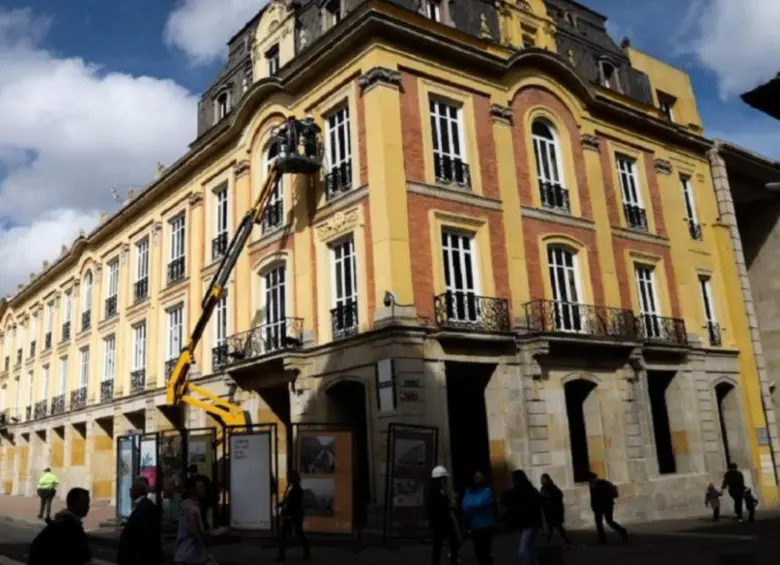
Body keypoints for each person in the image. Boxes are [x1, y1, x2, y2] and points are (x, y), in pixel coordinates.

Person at [28, 487, 92, 565]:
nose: (88, 507)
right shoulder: (68, 528)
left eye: (88, 503)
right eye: (85, 503)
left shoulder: (68, 525)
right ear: (74, 503)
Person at [118, 476, 163, 565]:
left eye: (133, 488)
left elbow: (144, 536)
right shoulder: (143, 506)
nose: (130, 490)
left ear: (139, 490)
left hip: (140, 557)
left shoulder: (145, 508)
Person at [502, 469, 543, 565]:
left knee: (523, 550)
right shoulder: (513, 491)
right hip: (521, 525)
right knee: (528, 549)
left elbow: (538, 506)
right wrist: (507, 490)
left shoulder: (528, 490)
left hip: (530, 524)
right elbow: (504, 502)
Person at [174, 477, 213, 565]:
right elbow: (194, 531)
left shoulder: (194, 506)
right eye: (199, 487)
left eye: (203, 487)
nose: (202, 490)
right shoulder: (190, 508)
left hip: (190, 554)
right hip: (189, 553)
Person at [461, 470, 495, 565]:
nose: (478, 479)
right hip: (475, 526)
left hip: (486, 526)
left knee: (486, 552)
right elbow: (465, 505)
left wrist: (473, 506)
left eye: (480, 477)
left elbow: (481, 503)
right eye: (476, 477)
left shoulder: (487, 490)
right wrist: (474, 506)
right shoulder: (469, 491)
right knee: (478, 552)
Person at [427, 465, 460, 565]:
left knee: (449, 543)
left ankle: (452, 560)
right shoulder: (435, 493)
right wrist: (450, 505)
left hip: (443, 523)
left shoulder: (441, 490)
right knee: (439, 546)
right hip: (441, 523)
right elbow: (438, 508)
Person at [276, 470, 311, 562]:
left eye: (288, 477)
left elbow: (292, 503)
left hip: (293, 514)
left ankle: (282, 555)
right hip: (293, 514)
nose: (287, 478)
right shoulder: (292, 488)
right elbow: (288, 501)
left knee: (291, 534)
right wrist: (281, 504)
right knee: (296, 533)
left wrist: (285, 510)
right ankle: (306, 552)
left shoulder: (295, 489)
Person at [586, 471, 627, 545]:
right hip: (599, 506)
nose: (589, 480)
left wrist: (601, 503)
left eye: (589, 479)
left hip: (606, 505)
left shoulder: (602, 483)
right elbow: (593, 497)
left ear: (592, 478)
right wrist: (593, 506)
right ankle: (602, 539)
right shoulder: (592, 485)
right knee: (599, 522)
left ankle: (622, 531)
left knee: (609, 521)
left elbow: (603, 495)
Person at [540, 473, 571, 546]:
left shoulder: (553, 488)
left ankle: (567, 541)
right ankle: (547, 542)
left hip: (554, 512)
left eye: (543, 479)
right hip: (548, 512)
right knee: (551, 528)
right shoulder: (543, 488)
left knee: (558, 527)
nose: (541, 481)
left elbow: (557, 498)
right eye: (541, 479)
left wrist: (548, 501)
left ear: (547, 479)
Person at [185, 464, 215, 530]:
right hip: (205, 501)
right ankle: (205, 529)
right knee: (203, 516)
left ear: (191, 471)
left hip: (200, 500)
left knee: (200, 517)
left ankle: (202, 530)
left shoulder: (193, 479)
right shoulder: (204, 478)